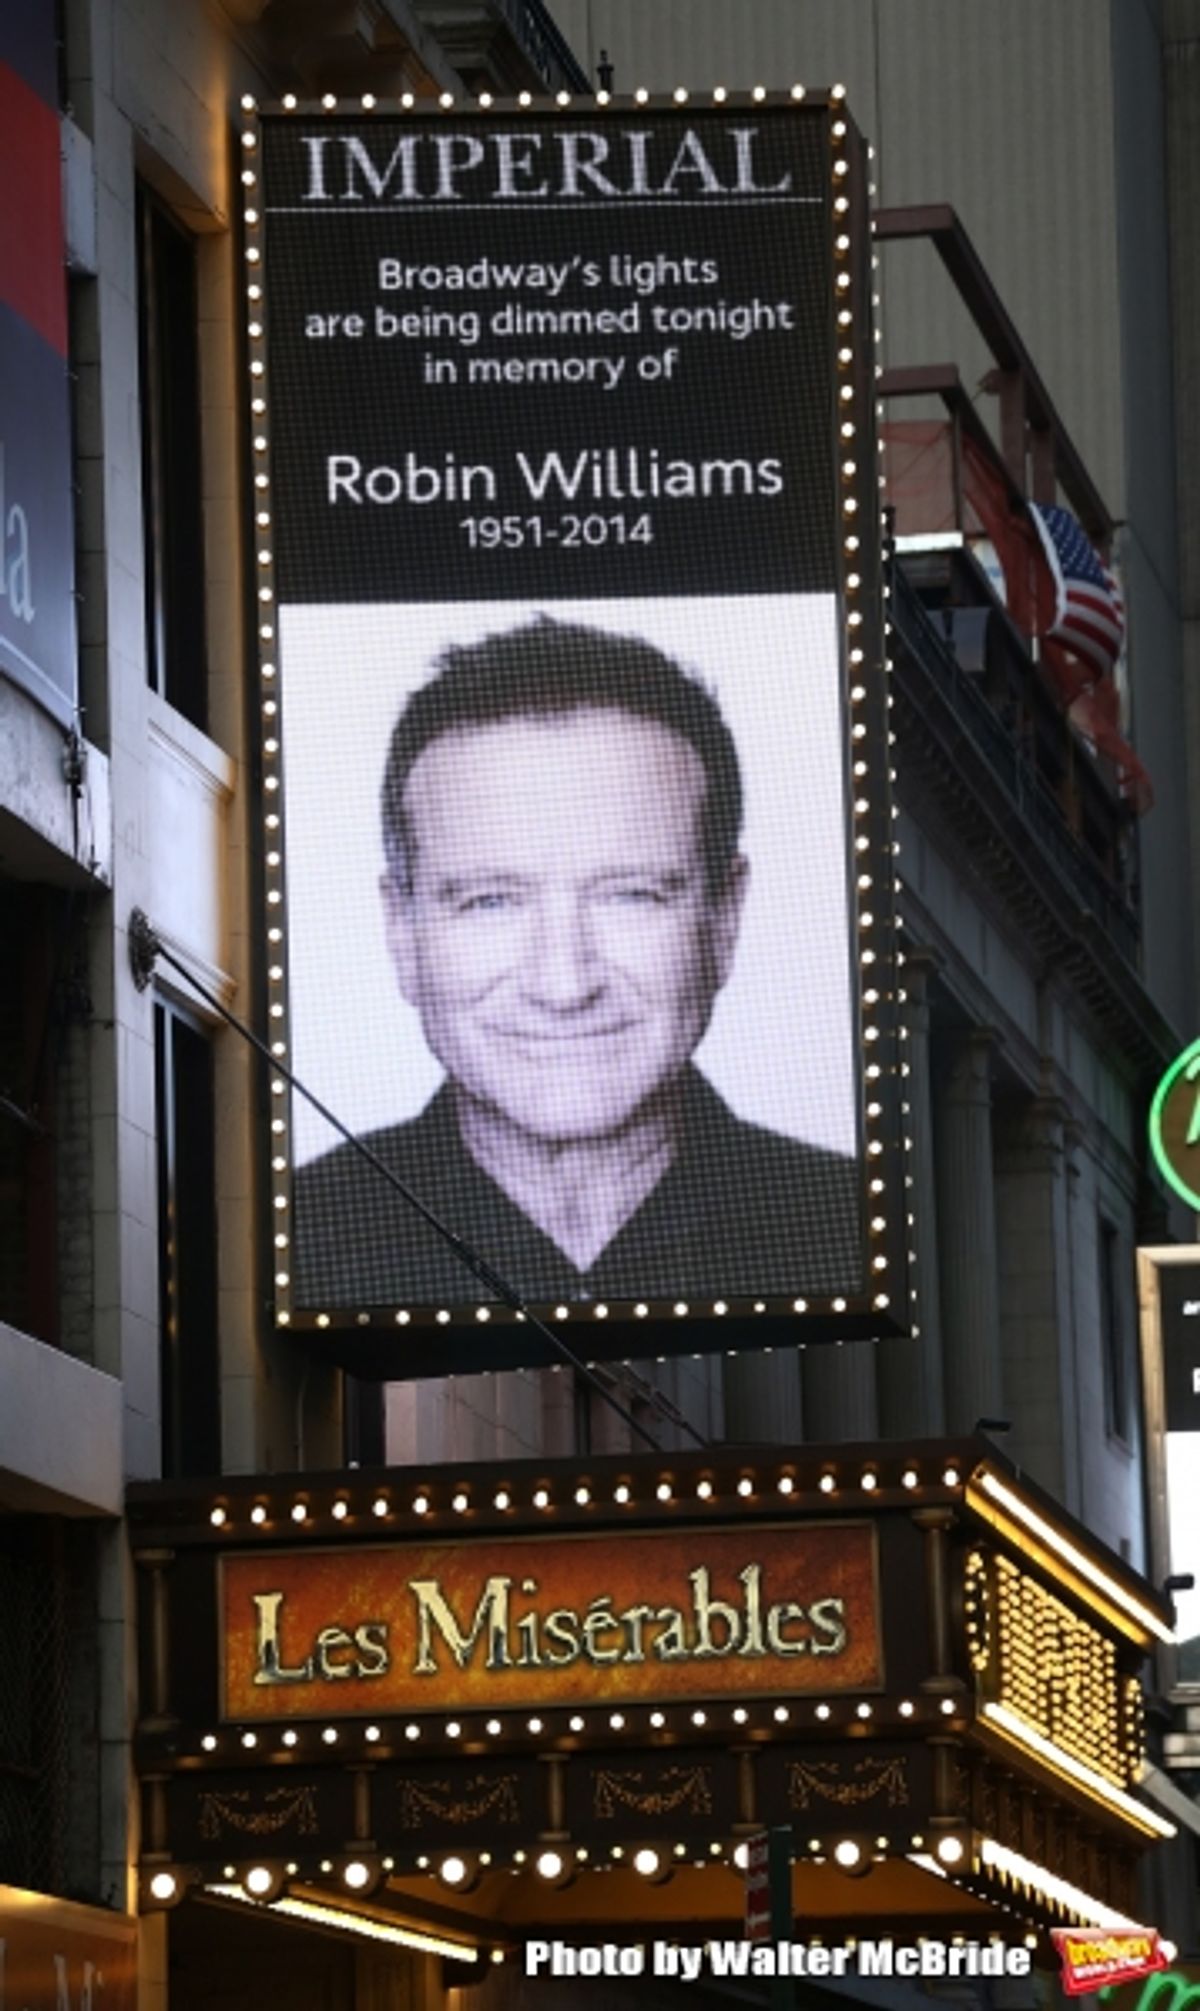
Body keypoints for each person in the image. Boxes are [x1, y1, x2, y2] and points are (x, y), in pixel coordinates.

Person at [292, 615, 861, 1308]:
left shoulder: (849, 1228)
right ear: (402, 932)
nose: (563, 983)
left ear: (724, 918)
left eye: (631, 895)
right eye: (490, 901)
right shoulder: (296, 1242)